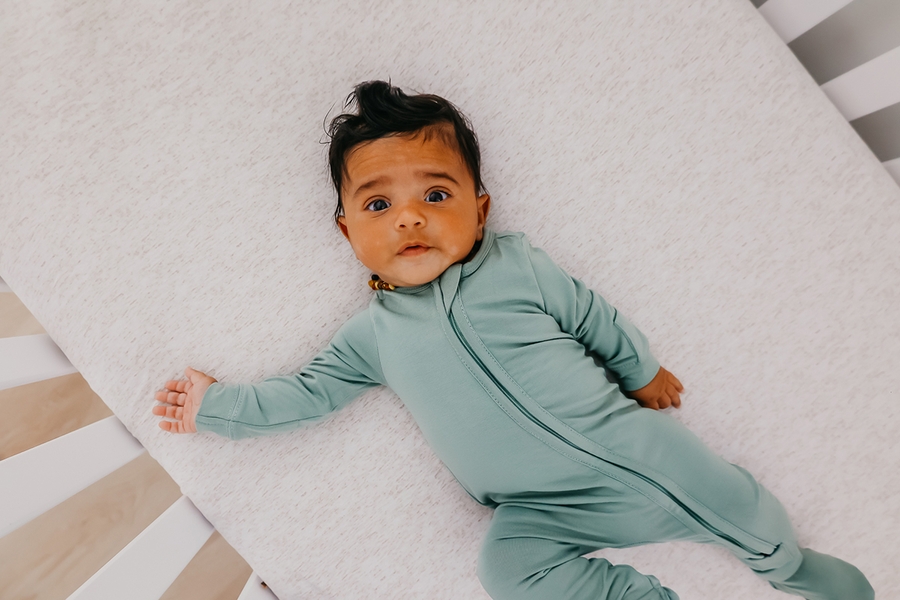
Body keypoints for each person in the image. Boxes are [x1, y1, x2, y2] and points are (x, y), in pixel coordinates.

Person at [152, 80, 874, 600]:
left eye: (436, 195)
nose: (409, 218)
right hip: (537, 508)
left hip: (637, 452)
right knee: (506, 571)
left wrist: (641, 369)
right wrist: (216, 406)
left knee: (747, 512)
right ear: (347, 231)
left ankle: (791, 568)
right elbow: (306, 395)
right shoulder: (371, 336)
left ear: (480, 208)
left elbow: (591, 315)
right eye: (378, 203)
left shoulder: (517, 265)